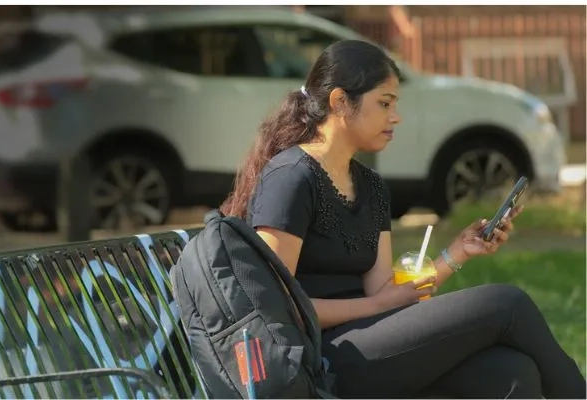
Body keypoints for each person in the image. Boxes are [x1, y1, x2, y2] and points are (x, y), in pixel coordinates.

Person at [219, 39, 586, 399]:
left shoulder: (372, 187)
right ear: (340, 102)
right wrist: (373, 308)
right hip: (322, 359)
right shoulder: (290, 178)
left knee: (510, 372)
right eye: (384, 103)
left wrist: (456, 254)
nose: (396, 116)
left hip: (374, 339)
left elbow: (384, 292)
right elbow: (276, 308)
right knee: (507, 303)